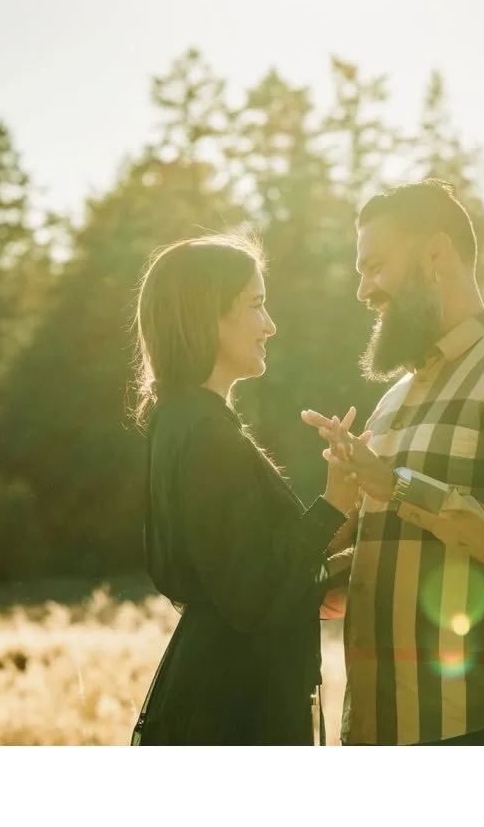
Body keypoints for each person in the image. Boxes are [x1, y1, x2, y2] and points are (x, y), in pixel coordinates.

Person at [303, 180, 484, 746]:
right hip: (377, 730)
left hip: (479, 728)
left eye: (375, 266)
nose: (363, 290)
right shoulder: (394, 400)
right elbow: (388, 557)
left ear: (436, 254)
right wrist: (263, 572)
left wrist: (401, 487)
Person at [130, 234, 358, 746]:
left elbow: (245, 570)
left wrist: (342, 547)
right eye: (255, 305)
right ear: (207, 316)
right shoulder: (207, 434)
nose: (270, 324)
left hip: (222, 686)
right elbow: (254, 593)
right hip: (234, 705)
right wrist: (333, 503)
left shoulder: (182, 421)